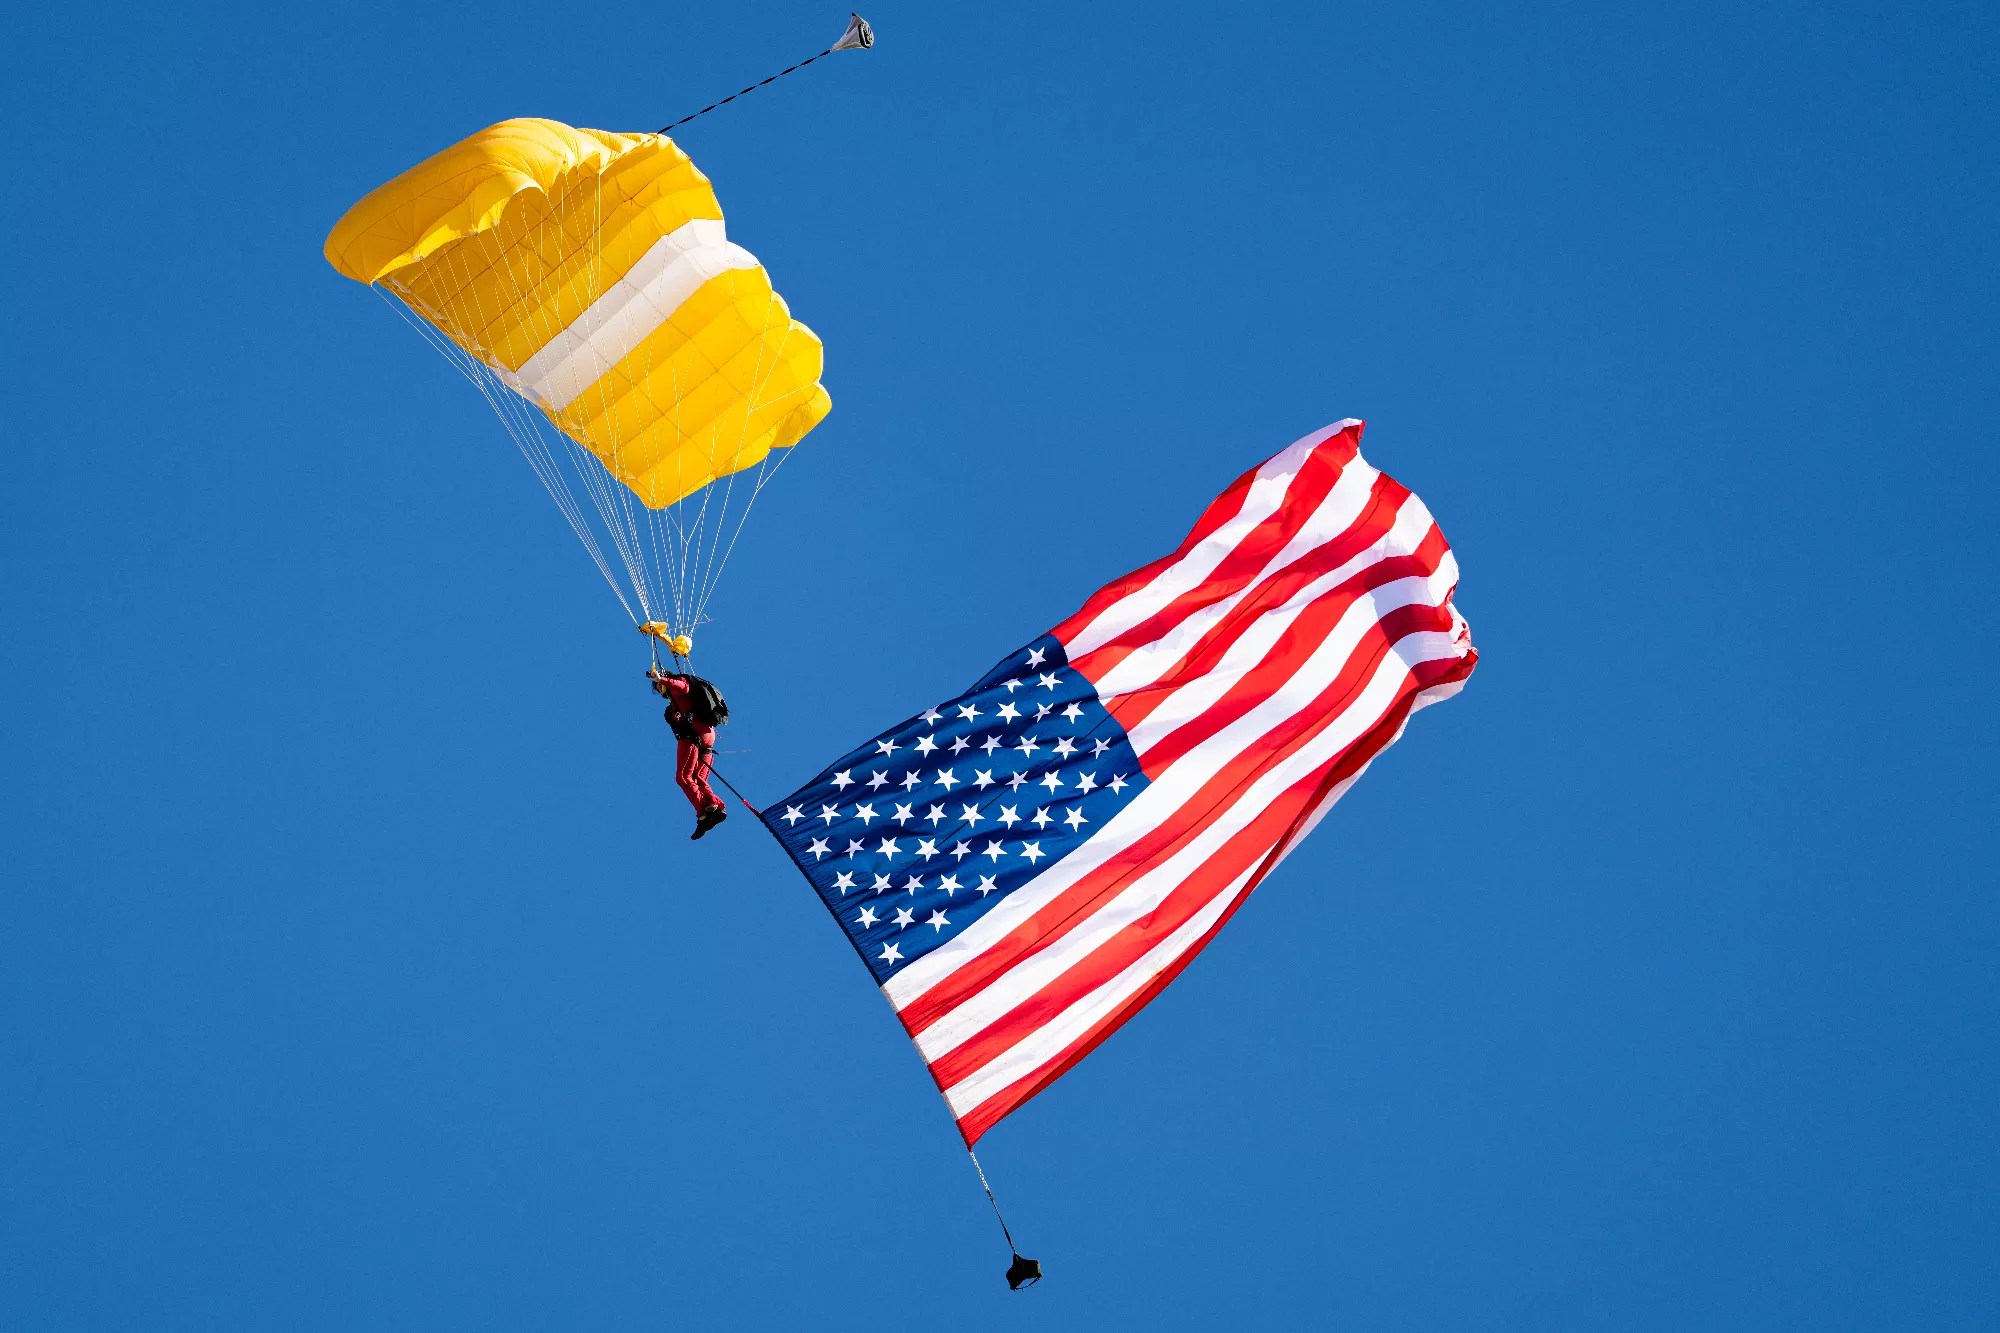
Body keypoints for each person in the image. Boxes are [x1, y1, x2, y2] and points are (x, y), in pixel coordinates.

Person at [648, 663, 729, 839]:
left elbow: (681, 686)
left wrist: (662, 679)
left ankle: (703, 813)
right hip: (707, 737)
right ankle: (712, 808)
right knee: (699, 778)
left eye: (658, 688)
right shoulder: (673, 707)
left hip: (694, 736)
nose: (660, 692)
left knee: (684, 777)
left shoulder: (677, 687)